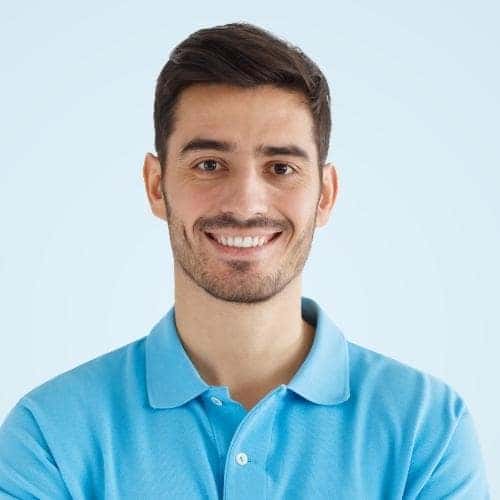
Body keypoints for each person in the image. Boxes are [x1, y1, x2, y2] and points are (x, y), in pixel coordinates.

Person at [0, 22, 490, 499]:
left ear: (325, 195)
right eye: (209, 165)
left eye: (281, 168)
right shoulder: (50, 436)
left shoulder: (427, 432)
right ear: (156, 186)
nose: (246, 203)